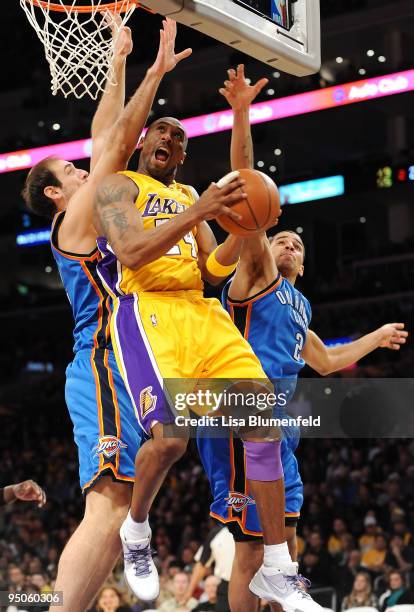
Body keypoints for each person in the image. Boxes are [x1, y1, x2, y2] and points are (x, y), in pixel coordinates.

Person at [93, 74, 320, 612]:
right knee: (171, 441)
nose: (171, 142)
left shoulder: (190, 194)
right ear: (144, 140)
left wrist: (244, 228)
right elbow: (130, 253)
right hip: (149, 312)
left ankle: (279, 570)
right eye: (163, 134)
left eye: (181, 140)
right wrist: (199, 213)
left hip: (201, 311)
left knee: (262, 423)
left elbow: (214, 271)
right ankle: (138, 530)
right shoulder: (118, 188)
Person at [196, 63, 408, 612]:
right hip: (241, 409)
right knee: (249, 554)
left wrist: (376, 337)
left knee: (282, 552)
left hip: (282, 428)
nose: (286, 244)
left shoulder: (300, 304)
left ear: (306, 265)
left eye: (295, 244)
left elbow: (330, 362)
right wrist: (241, 112)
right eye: (280, 237)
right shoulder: (256, 272)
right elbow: (245, 182)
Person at [21, 18, 191, 612]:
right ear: (54, 195)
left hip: (134, 357)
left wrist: (117, 59)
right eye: (70, 172)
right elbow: (112, 143)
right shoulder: (73, 224)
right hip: (101, 358)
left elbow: (103, 134)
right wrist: (152, 70)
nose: (82, 170)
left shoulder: (94, 208)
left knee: (121, 513)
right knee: (110, 505)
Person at [184, 524, 235, 611]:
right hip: (224, 586)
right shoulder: (216, 533)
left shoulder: (256, 529)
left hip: (250, 585)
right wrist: (188, 593)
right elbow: (201, 564)